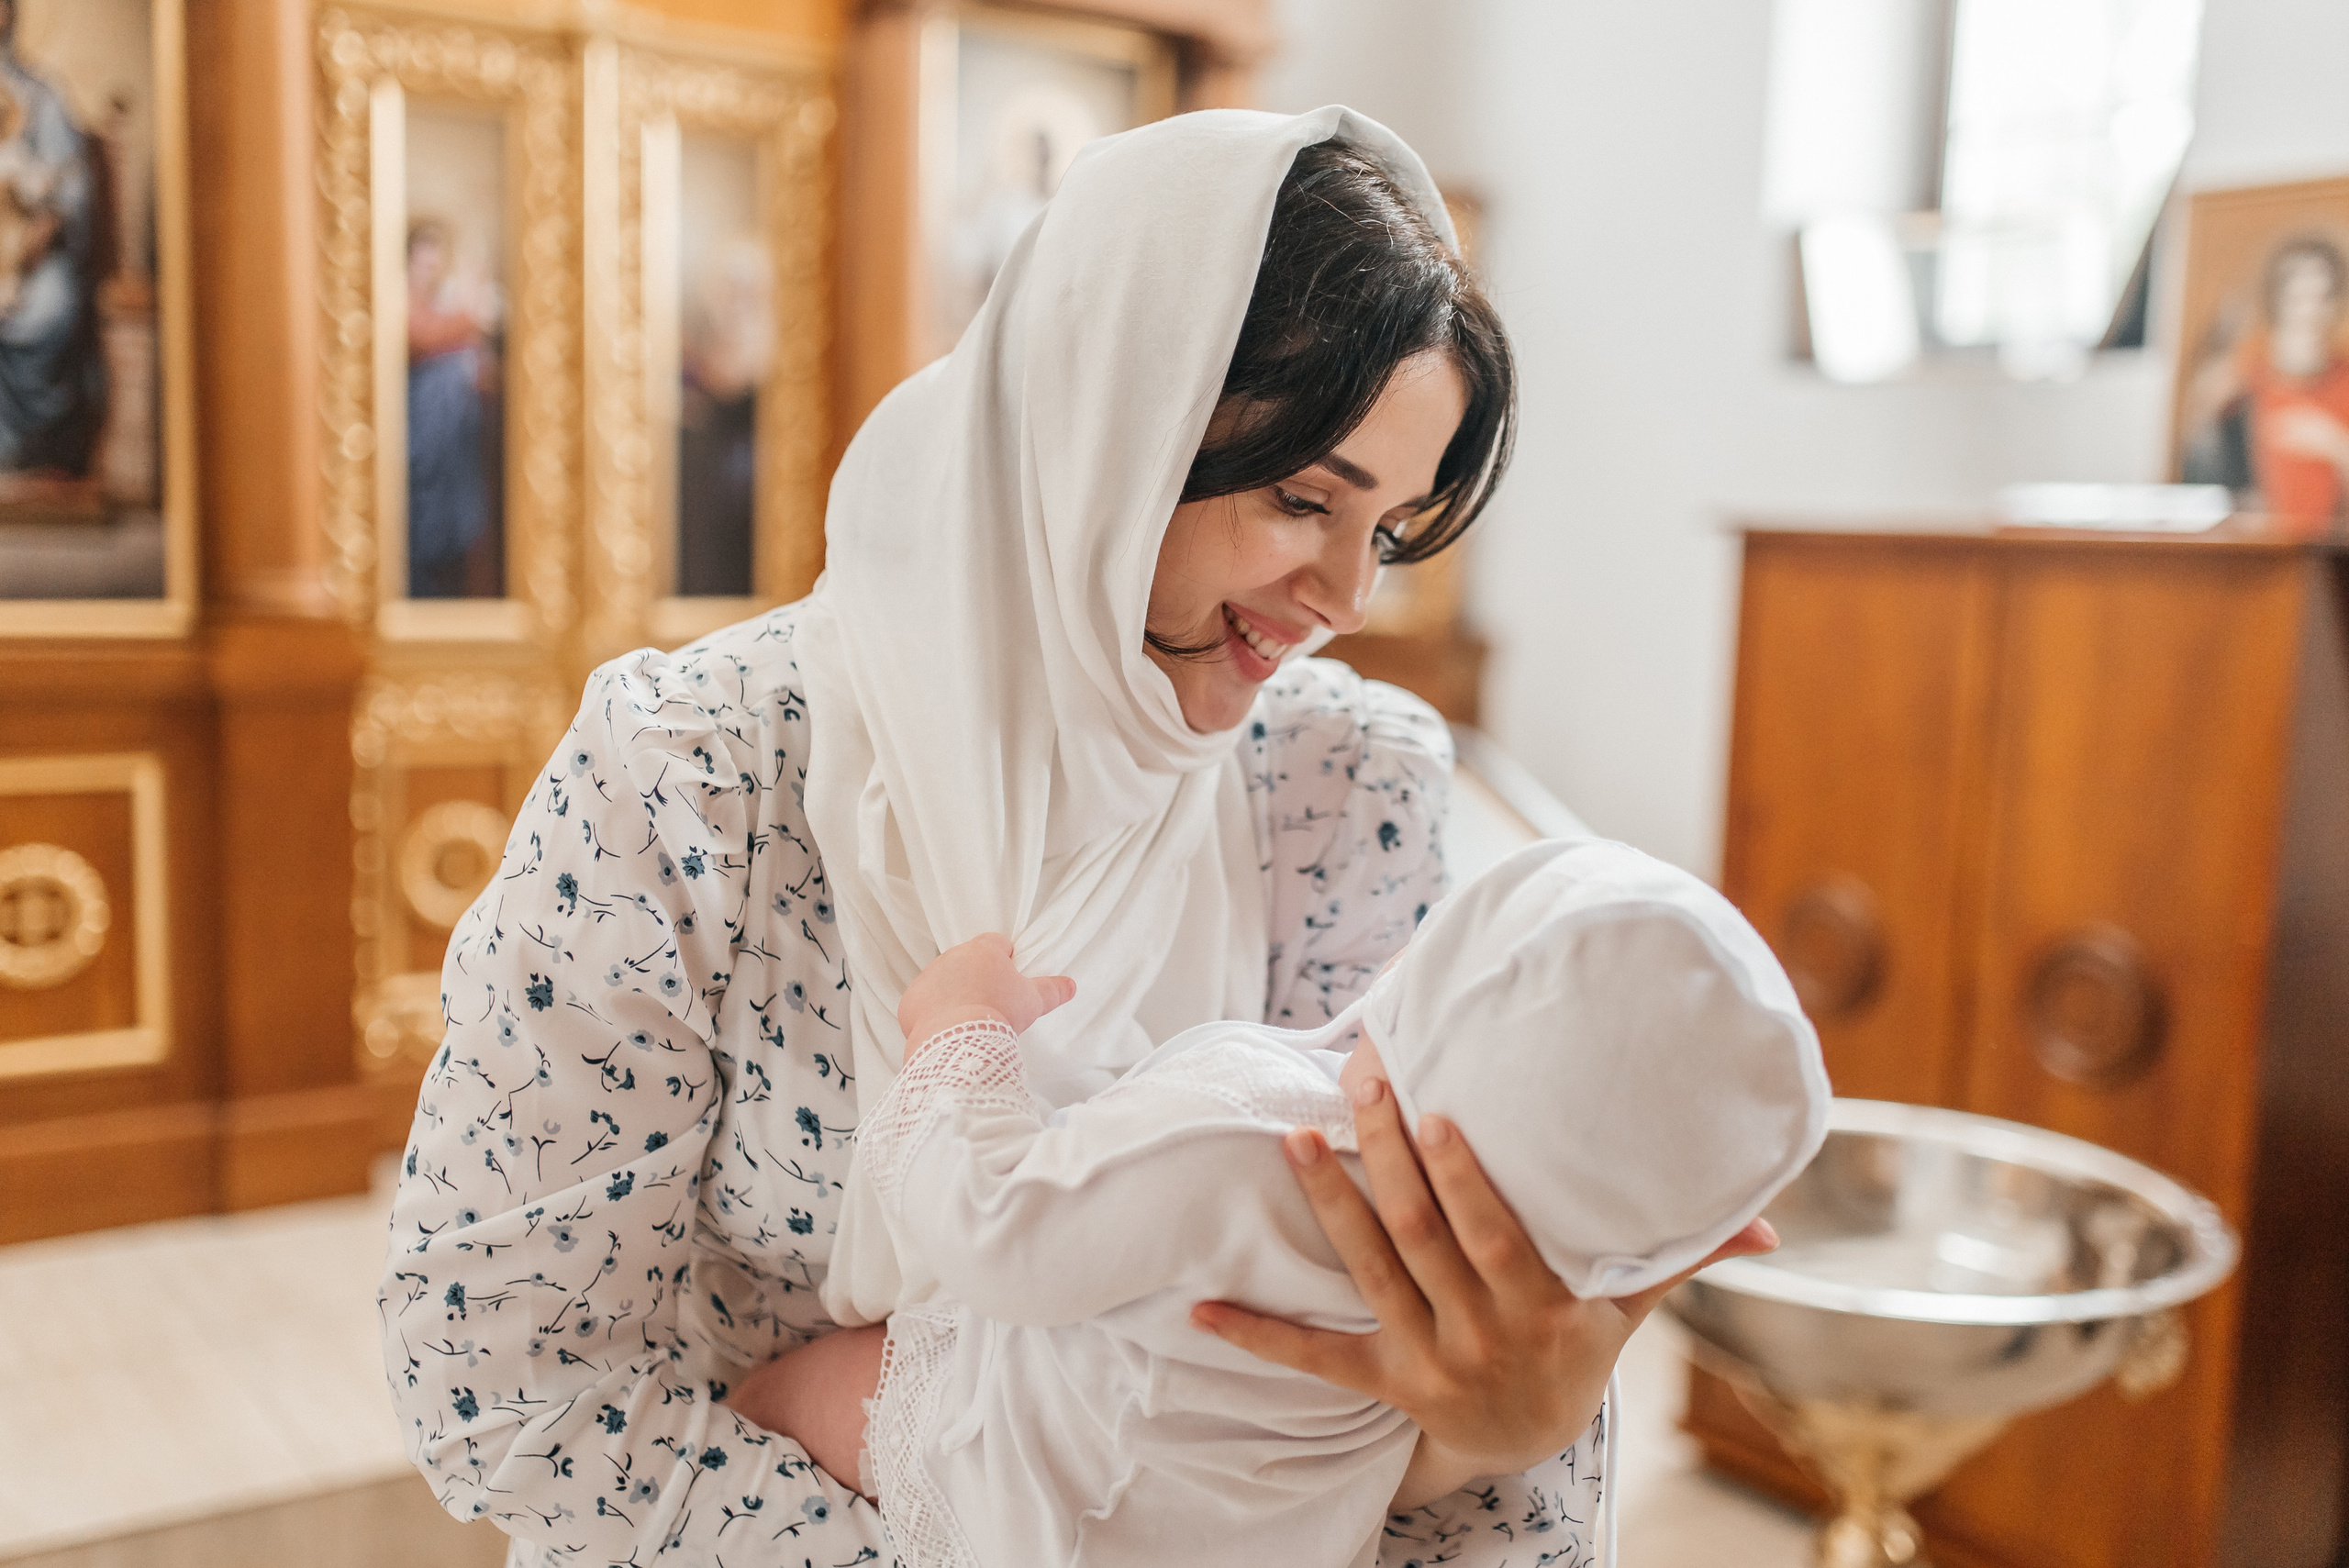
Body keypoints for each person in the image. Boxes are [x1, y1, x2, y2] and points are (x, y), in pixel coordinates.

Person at [379, 106, 1776, 1567]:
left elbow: (1469, 1382)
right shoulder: (694, 782)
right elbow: (507, 1385)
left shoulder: (1345, 788)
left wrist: (1504, 1421)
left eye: (1395, 527)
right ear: (1106, 416)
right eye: (1306, 499)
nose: (1347, 597)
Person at [771, 838, 1826, 1568]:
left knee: (809, 1388)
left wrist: (956, 1028)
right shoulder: (1525, 1292)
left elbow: (992, 1224)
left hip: (1036, 1497)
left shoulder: (1255, 1137)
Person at [0, 0, 106, 485]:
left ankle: (30, 452)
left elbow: (68, 189)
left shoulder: (42, 97)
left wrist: (32, 243)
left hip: (29, 254)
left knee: (49, 308)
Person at [2180, 233, 2349, 535]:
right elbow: (2206, 481)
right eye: (2298, 299)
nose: (2310, 313)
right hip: (2264, 553)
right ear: (2277, 302)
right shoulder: (2240, 383)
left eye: (2323, 297)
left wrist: (2335, 445)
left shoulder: (2344, 379)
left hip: (2333, 554)